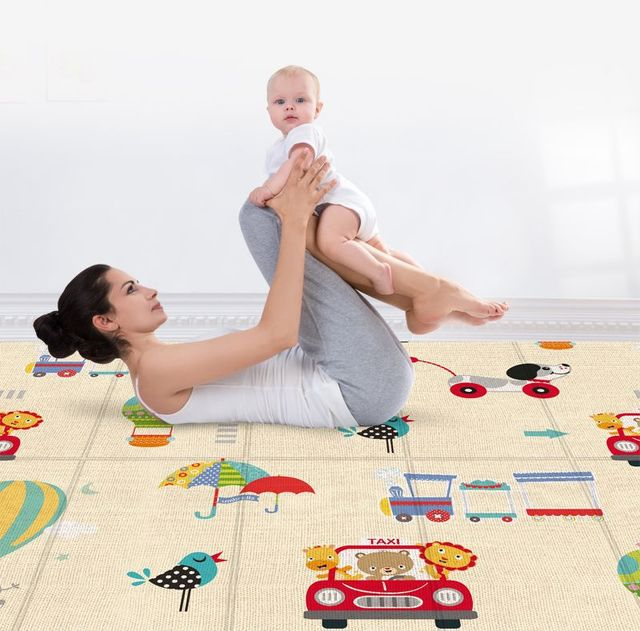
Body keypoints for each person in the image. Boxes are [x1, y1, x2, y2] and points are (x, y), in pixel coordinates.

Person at [33, 151, 415, 429]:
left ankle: (425, 293)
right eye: (131, 289)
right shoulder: (154, 373)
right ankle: (426, 292)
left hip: (355, 374)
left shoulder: (161, 363)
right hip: (360, 389)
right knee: (260, 218)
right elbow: (277, 335)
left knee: (268, 218)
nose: (149, 291)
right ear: (105, 320)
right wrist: (296, 221)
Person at [249, 65, 509, 334]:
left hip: (341, 204)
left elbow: (298, 162)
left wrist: (266, 189)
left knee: (332, 241)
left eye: (300, 100)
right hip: (345, 207)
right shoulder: (278, 147)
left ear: (317, 109)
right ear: (268, 110)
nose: (289, 107)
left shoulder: (304, 133)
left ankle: (378, 272)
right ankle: (443, 302)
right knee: (388, 255)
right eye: (280, 102)